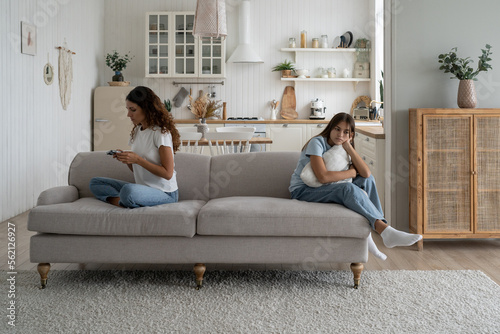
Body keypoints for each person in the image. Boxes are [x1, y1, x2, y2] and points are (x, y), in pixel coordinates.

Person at [289, 112, 422, 259]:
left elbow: (366, 173)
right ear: (330, 128)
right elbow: (323, 177)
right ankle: (384, 230)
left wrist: (349, 147)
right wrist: (352, 173)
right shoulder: (317, 142)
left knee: (368, 180)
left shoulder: (343, 148)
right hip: (303, 190)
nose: (340, 134)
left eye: (346, 132)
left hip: (328, 185)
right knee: (348, 188)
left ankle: (381, 228)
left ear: (351, 134)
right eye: (337, 129)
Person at [89, 86, 181, 208]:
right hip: (143, 189)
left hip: (165, 193)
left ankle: (125, 201)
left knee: (128, 191)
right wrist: (127, 160)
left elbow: (168, 173)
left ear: (147, 109)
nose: (128, 114)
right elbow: (138, 170)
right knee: (96, 182)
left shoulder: (161, 133)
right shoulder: (137, 130)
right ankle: (123, 202)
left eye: (132, 110)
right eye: (128, 109)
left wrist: (138, 160)